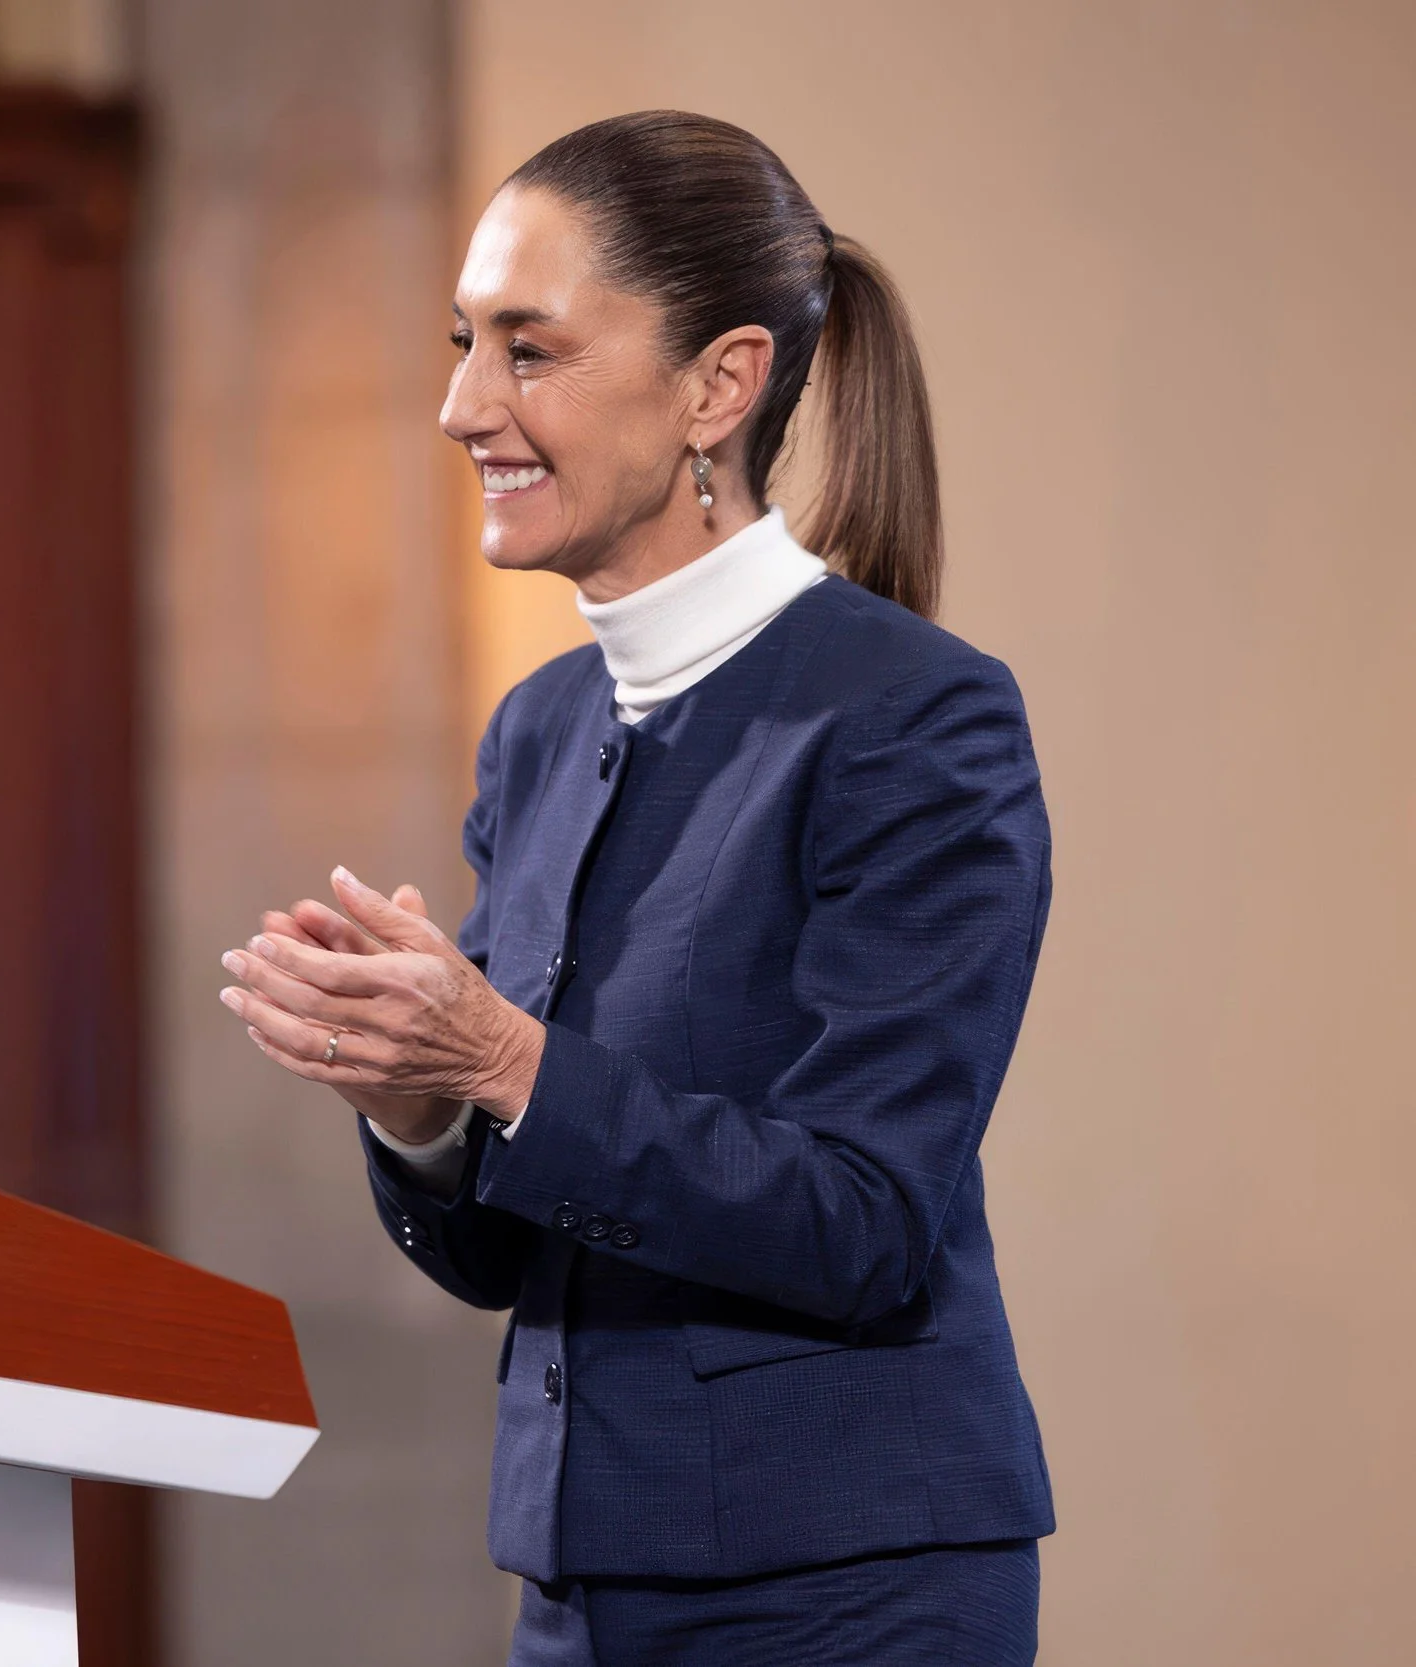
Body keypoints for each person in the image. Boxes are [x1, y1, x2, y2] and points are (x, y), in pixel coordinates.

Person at [216, 111, 1053, 1666]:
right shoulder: (536, 734)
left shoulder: (914, 717)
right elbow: (507, 1255)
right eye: (463, 342)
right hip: (579, 1589)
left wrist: (497, 1056)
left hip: (847, 1592)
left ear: (718, 387)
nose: (464, 403)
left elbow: (863, 1221)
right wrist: (417, 1106)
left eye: (528, 350)